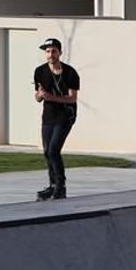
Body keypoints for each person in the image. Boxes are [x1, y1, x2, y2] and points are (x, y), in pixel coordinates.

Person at [34, 38, 80, 201]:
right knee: (47, 152)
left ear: (60, 52)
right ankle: (53, 185)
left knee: (53, 150)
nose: (50, 54)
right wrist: (39, 97)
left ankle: (61, 187)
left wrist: (50, 97)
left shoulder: (70, 73)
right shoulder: (39, 71)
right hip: (49, 116)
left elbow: (72, 99)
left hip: (66, 115)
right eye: (47, 51)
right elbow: (39, 97)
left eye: (53, 51)